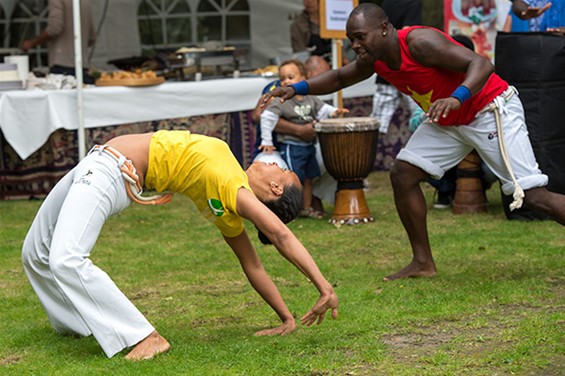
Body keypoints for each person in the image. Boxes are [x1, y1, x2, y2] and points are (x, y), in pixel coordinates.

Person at [262, 3, 565, 281]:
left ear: (384, 29)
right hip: (450, 119)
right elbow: (340, 78)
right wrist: (297, 88)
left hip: (488, 108)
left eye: (359, 37)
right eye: (351, 39)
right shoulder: (377, 59)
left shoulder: (419, 43)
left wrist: (456, 98)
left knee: (535, 197)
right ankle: (423, 262)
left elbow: (482, 64)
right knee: (403, 174)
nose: (355, 45)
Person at [21, 130, 339, 360]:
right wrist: (286, 317)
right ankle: (76, 326)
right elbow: (253, 265)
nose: (275, 165)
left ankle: (146, 337)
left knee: (66, 258)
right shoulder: (229, 199)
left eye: (281, 172)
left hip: (110, 173)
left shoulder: (235, 192)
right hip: (98, 162)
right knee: (35, 252)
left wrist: (323, 286)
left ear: (274, 189)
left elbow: (280, 235)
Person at [259, 59, 348, 218]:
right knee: (296, 179)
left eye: (291, 77)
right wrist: (267, 141)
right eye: (283, 78)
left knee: (308, 178)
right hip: (291, 146)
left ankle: (307, 208)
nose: (286, 81)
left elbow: (323, 109)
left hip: (308, 146)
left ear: (304, 78)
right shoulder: (282, 98)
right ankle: (293, 208)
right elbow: (266, 117)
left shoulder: (310, 97)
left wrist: (334, 111)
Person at [370, 0, 422, 136]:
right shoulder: (413, 3)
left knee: (375, 126)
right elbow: (406, 34)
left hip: (386, 67)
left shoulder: (386, 3)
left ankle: (366, 155)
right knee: (421, 121)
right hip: (407, 70)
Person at [21, 0, 96, 84]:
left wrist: (32, 43)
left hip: (62, 63)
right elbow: (92, 37)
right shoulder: (86, 1)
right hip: (82, 64)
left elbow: (55, 27)